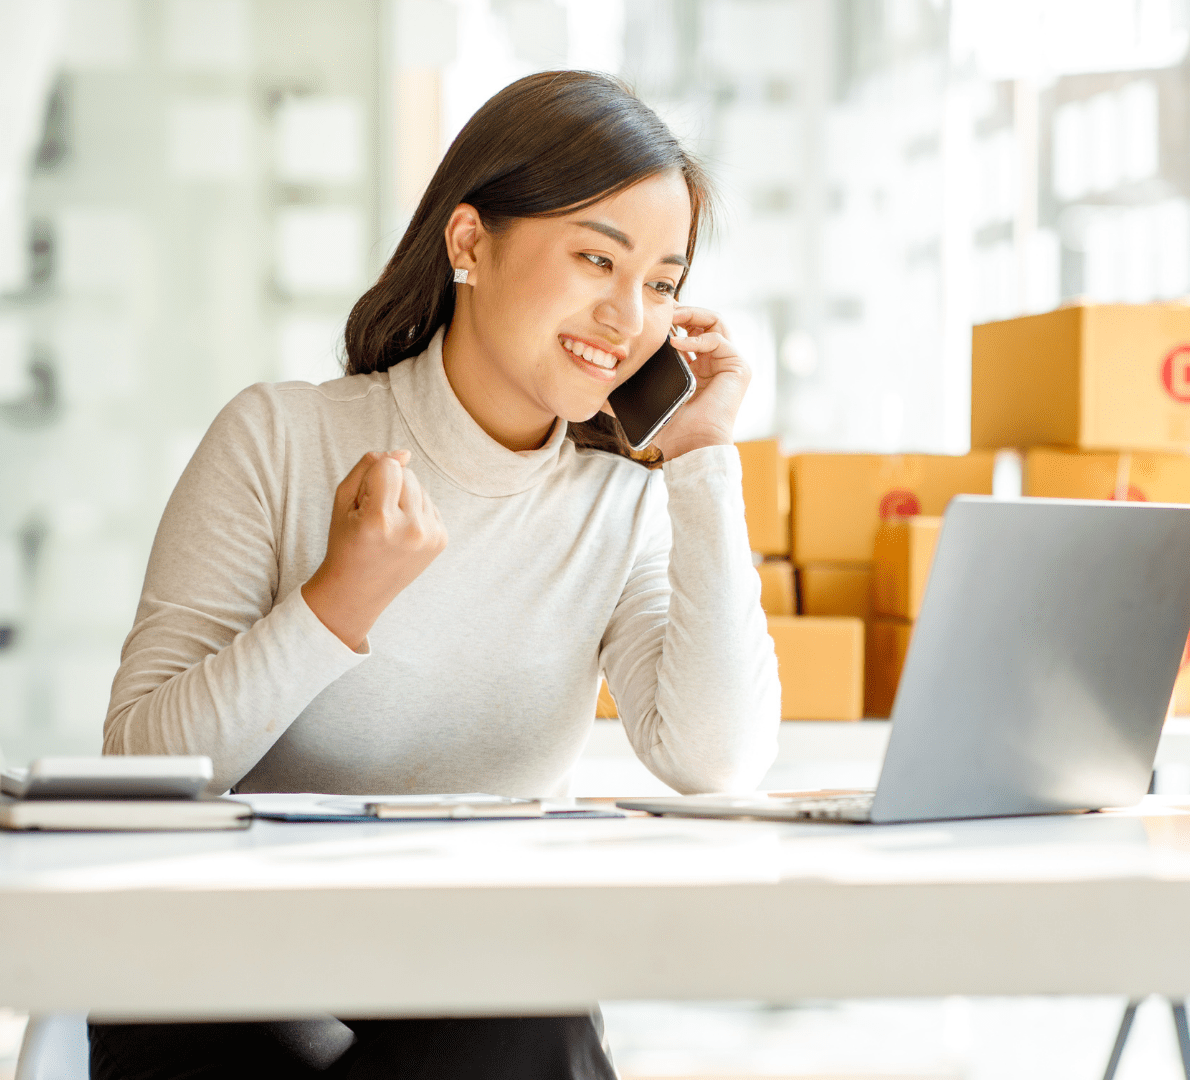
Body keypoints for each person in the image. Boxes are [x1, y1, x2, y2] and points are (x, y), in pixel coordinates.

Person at [89, 70, 780, 1080]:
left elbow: (715, 762)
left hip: (466, 979)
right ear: (468, 244)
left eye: (664, 283)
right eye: (597, 258)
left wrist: (705, 462)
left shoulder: (621, 500)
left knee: (519, 1026)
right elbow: (133, 776)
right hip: (225, 977)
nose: (629, 315)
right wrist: (338, 603)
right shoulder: (279, 436)